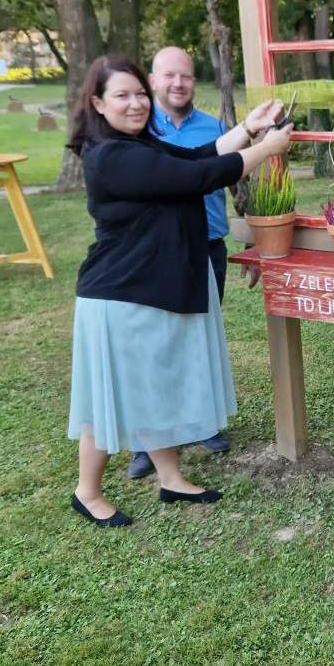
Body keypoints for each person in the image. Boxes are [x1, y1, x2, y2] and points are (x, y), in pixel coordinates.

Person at [65, 54, 292, 527]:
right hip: (119, 294)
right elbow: (197, 178)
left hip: (152, 286)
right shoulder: (110, 157)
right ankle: (87, 492)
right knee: (113, 396)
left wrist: (248, 129)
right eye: (121, 96)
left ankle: (170, 477)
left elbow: (199, 157)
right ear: (97, 103)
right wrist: (267, 150)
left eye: (138, 95)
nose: (135, 104)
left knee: (158, 385)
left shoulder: (141, 145)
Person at [125, 46, 267, 479]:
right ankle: (147, 442)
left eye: (185, 76)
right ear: (152, 80)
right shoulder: (139, 130)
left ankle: (201, 423)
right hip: (158, 252)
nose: (178, 84)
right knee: (154, 347)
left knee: (199, 339)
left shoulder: (215, 127)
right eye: (169, 76)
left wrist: (257, 239)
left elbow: (235, 187)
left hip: (207, 246)